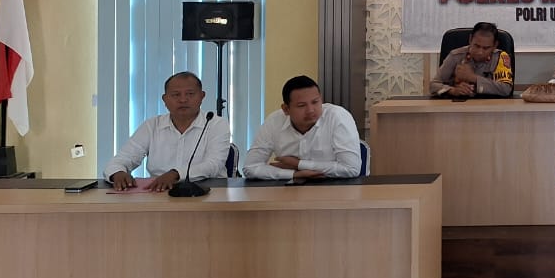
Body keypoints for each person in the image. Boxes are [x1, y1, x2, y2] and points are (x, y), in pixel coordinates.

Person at [103, 71, 231, 192]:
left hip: (210, 192)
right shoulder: (152, 126)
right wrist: (117, 173)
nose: (183, 100)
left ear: (202, 96)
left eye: (190, 94)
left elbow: (214, 165)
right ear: (164, 99)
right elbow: (122, 159)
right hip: (160, 192)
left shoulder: (216, 124)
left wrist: (176, 174)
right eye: (176, 95)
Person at [242, 74, 362, 180]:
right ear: (286, 109)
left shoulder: (338, 117)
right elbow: (250, 167)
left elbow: (351, 169)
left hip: (337, 190)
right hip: (289, 190)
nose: (310, 110)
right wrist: (294, 174)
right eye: (301, 105)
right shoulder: (274, 121)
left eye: (315, 102)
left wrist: (298, 164)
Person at [429, 21, 514, 98]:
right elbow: (433, 85)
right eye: (477, 46)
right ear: (470, 40)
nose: (480, 52)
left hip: (491, 106)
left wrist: (473, 78)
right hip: (458, 106)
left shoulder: (500, 57)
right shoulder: (455, 56)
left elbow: (506, 89)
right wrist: (453, 90)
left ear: (495, 45)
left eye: (486, 48)